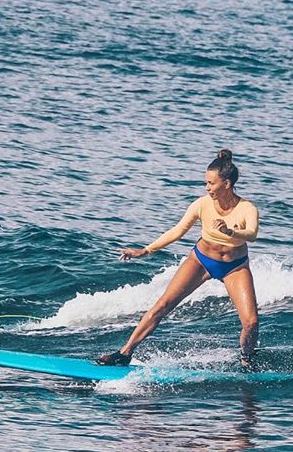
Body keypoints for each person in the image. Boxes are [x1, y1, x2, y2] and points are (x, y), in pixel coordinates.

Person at [97, 149, 260, 368]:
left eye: (211, 183)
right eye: (206, 182)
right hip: (201, 260)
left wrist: (231, 232)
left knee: (251, 322)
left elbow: (252, 234)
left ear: (227, 184)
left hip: (234, 267)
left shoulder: (246, 208)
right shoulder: (201, 204)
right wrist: (145, 250)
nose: (207, 188)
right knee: (162, 305)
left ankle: (246, 360)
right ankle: (124, 354)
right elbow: (177, 231)